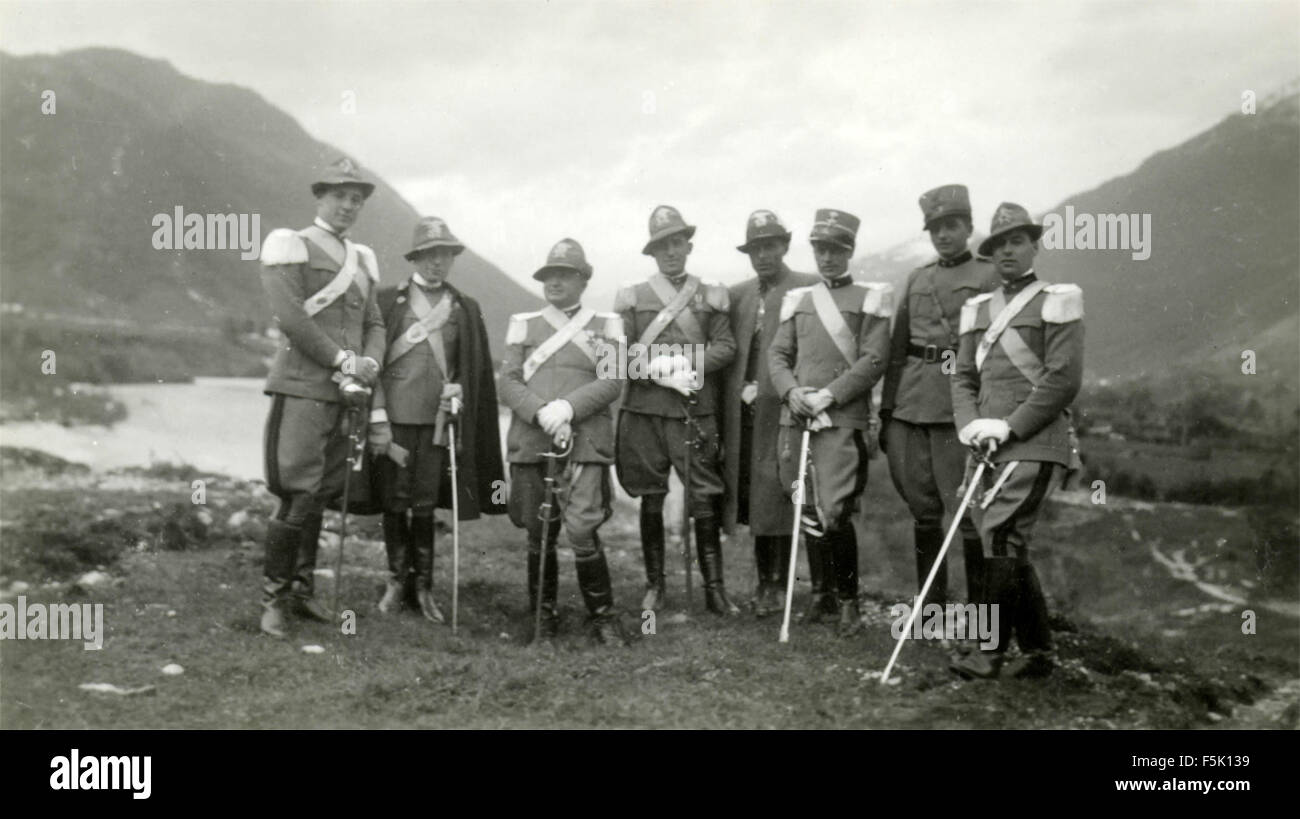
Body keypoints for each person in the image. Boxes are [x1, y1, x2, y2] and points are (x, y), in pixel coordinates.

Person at [948, 202, 1084, 680]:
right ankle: (1040, 652)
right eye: (998, 244)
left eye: (1016, 241)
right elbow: (963, 378)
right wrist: (971, 425)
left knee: (1001, 536)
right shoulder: (976, 311)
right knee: (1005, 542)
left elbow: (1062, 380)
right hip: (985, 445)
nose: (1007, 250)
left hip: (1034, 440)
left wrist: (1009, 426)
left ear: (1034, 245)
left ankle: (989, 653)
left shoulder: (1058, 299)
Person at [257, 157, 385, 637]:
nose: (348, 206)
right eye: (340, 196)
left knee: (321, 493)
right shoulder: (290, 245)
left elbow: (373, 322)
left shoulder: (363, 260)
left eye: (356, 200)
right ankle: (273, 600)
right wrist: (342, 361)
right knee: (296, 490)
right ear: (320, 197)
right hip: (304, 386)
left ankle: (302, 592)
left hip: (347, 393)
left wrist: (368, 362)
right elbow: (292, 318)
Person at [368, 216, 508, 623]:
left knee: (426, 502)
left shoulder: (464, 308)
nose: (437, 263)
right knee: (395, 499)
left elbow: (472, 368)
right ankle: (397, 580)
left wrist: (460, 390)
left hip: (437, 424)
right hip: (393, 420)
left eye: (444, 255)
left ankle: (424, 587)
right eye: (430, 255)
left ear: (451, 259)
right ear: (417, 257)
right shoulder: (386, 301)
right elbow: (373, 359)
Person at [498, 239, 629, 645]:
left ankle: (603, 617)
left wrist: (568, 409)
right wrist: (540, 412)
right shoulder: (523, 323)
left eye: (564, 274)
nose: (554, 281)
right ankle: (542, 614)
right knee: (539, 529)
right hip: (533, 435)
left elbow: (612, 380)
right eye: (548, 275)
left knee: (583, 525)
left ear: (582, 280)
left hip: (585, 438)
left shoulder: (607, 325)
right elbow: (509, 380)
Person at [770, 209, 893, 636]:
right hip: (799, 416)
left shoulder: (870, 298)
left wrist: (830, 394)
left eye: (836, 249)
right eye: (820, 249)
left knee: (835, 511)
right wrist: (792, 392)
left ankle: (848, 603)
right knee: (806, 506)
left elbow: (874, 360)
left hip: (841, 418)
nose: (827, 257)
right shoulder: (798, 301)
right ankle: (820, 594)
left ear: (850, 251)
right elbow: (777, 356)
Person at [614, 205, 739, 615]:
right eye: (662, 245)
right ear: (652, 252)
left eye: (677, 242)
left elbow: (726, 347)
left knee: (704, 497)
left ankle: (715, 589)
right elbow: (614, 358)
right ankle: (655, 585)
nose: (671, 251)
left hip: (693, 411)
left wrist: (686, 365)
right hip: (645, 411)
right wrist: (654, 372)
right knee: (652, 496)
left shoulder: (711, 295)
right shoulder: (633, 298)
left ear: (688, 244)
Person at [880, 184, 998, 609]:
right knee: (923, 509)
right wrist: (888, 408)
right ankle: (931, 607)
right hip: (912, 406)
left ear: (968, 227)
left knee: (968, 512)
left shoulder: (988, 275)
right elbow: (896, 350)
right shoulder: (918, 278)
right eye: (935, 228)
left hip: (959, 409)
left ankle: (982, 613)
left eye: (952, 226)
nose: (944, 235)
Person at [721, 210, 819, 617]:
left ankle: (784, 586)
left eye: (770, 246)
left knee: (780, 493)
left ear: (784, 246)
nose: (763, 255)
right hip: (743, 413)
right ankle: (764, 583)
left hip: (785, 409)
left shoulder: (807, 287)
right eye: (755, 248)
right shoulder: (739, 294)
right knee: (753, 496)